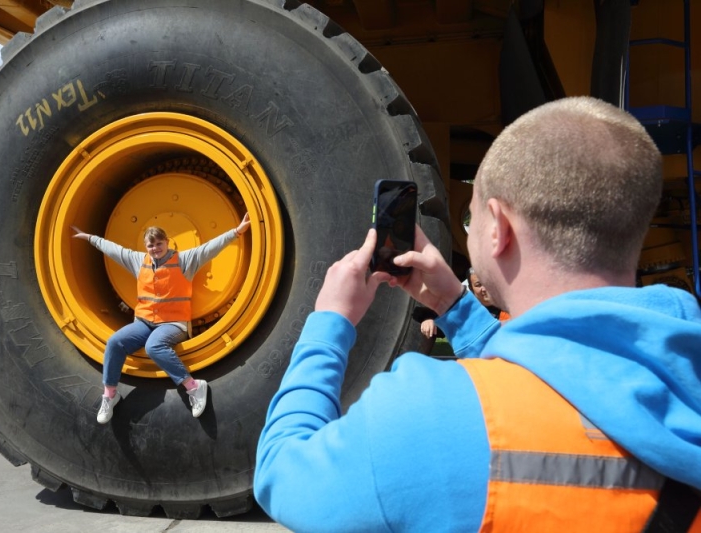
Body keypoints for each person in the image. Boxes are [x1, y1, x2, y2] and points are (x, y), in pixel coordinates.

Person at [254, 97, 701, 532]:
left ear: (499, 229)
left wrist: (331, 322)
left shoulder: (426, 415)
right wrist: (457, 310)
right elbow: (575, 377)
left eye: (472, 221)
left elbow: (282, 474)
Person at [73, 213, 251, 423]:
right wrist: (90, 238)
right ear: (146, 247)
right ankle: (110, 394)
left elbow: (210, 248)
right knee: (114, 342)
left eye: (159, 243)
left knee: (154, 346)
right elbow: (114, 250)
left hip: (174, 323)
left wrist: (237, 232)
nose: (155, 248)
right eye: (151, 245)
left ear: (167, 242)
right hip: (144, 322)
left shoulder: (184, 260)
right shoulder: (139, 261)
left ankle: (193, 387)